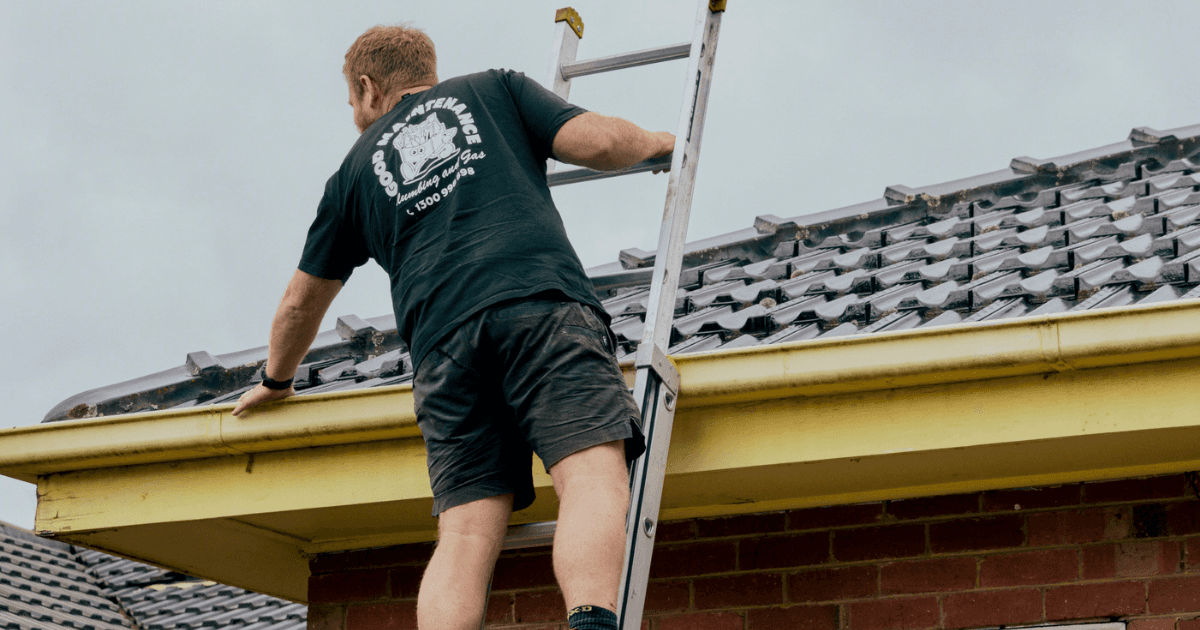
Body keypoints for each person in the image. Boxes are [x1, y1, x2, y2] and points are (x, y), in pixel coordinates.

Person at [230, 23, 675, 630]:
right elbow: (596, 143)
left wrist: (276, 381)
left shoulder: (352, 173)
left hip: (442, 349)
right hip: (538, 308)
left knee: (465, 531)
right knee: (592, 474)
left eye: (350, 102)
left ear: (366, 87)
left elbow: (299, 303)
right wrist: (659, 143)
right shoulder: (495, 89)